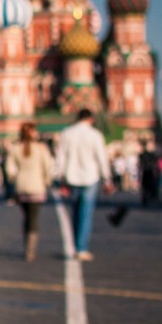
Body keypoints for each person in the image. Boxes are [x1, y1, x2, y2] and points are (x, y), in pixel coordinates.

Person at [55, 107, 113, 261]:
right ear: (91, 119)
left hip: (71, 177)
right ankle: (82, 248)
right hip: (90, 177)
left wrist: (59, 177)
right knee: (85, 213)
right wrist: (107, 178)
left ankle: (76, 245)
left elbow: (61, 156)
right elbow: (102, 158)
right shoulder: (95, 135)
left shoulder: (67, 133)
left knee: (75, 212)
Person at [5, 122, 54, 261]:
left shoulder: (15, 149)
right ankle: (30, 249)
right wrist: (46, 181)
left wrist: (15, 179)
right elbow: (48, 167)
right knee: (33, 218)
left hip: (21, 186)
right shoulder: (41, 149)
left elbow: (10, 169)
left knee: (26, 217)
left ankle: (27, 244)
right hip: (36, 186)